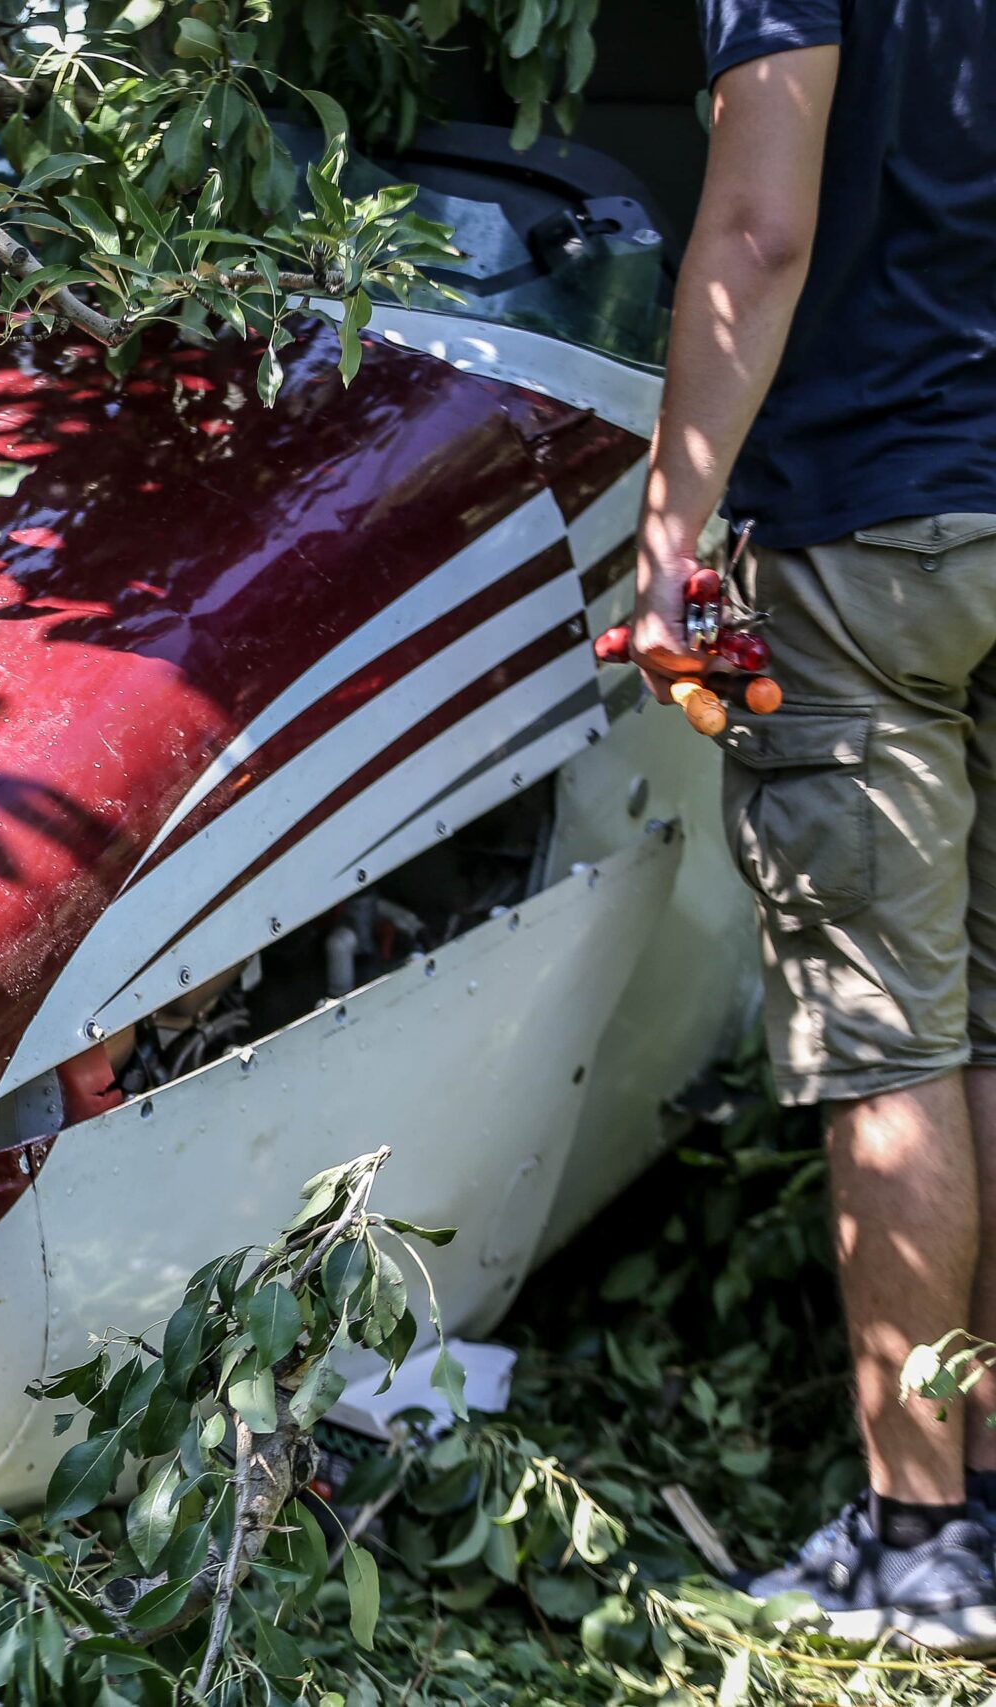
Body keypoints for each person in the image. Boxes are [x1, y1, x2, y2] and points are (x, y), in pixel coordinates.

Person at [631, 0, 996, 1650]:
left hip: (872, 530)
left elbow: (760, 229)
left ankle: (921, 1541)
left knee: (894, 1047)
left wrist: (668, 540)